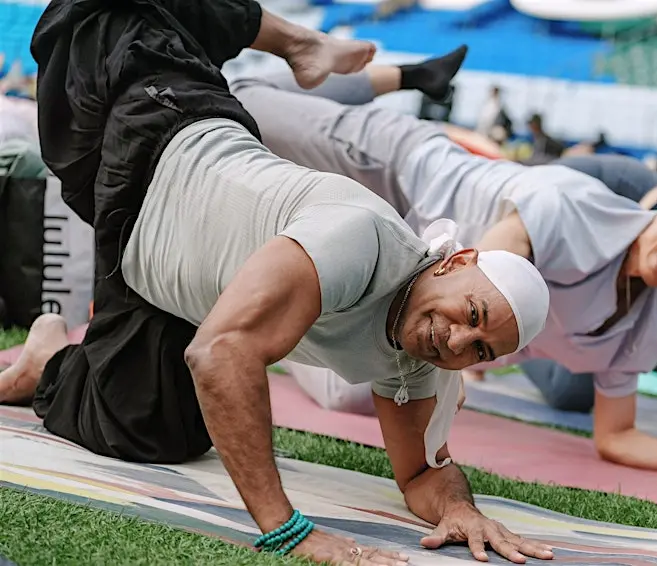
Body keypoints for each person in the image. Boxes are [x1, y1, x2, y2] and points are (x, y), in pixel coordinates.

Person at [0, 2, 556, 565]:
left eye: (481, 350)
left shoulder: (421, 362)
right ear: (453, 263)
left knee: (148, 429)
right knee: (102, 16)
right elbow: (222, 352)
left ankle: (48, 355)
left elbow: (420, 473)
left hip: (146, 257)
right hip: (155, 114)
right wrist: (288, 528)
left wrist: (461, 509)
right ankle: (295, 41)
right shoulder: (361, 240)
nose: (459, 341)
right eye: (474, 315)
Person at [229, 71, 657, 495]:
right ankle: (377, 72)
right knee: (237, 99)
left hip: (401, 276)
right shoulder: (572, 204)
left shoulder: (653, 322)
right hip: (402, 172)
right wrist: (456, 373)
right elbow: (486, 279)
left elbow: (615, 436)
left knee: (355, 391)